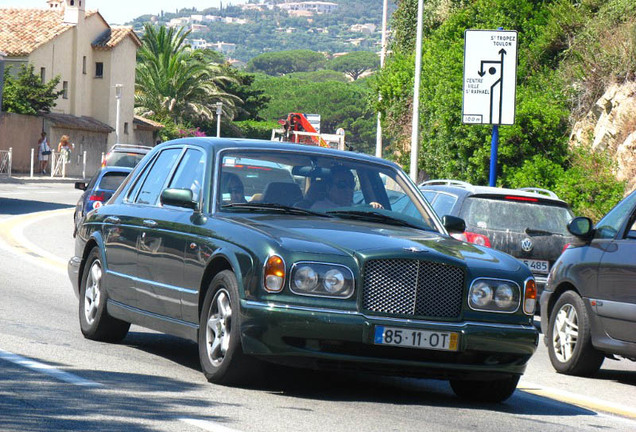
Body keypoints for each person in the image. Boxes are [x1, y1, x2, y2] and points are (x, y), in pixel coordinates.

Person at [311, 166, 383, 211]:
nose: (348, 189)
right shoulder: (319, 209)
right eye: (342, 184)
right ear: (328, 188)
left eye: (351, 184)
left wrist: (373, 207)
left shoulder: (357, 208)